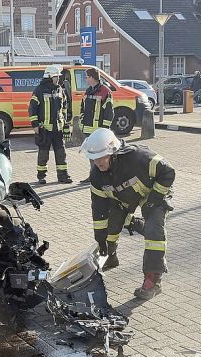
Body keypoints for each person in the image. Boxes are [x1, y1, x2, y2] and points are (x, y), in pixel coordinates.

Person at [80, 128, 175, 300]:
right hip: (124, 198)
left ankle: (153, 280)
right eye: (94, 159)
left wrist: (154, 199)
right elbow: (100, 210)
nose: (97, 163)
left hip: (153, 192)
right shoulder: (97, 177)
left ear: (113, 153)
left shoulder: (138, 157)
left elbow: (168, 172)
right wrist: (100, 240)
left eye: (101, 157)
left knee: (154, 232)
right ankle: (111, 255)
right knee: (111, 225)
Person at [29, 65, 72, 184]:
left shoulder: (60, 90)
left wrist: (66, 124)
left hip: (58, 128)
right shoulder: (39, 90)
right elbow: (32, 108)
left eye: (58, 77)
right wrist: (35, 125)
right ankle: (41, 176)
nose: (58, 79)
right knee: (43, 154)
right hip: (45, 128)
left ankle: (63, 175)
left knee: (61, 153)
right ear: (49, 77)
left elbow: (64, 108)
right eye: (56, 77)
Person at [80, 68, 114, 137]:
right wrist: (82, 122)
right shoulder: (88, 91)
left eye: (86, 77)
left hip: (99, 131)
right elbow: (82, 108)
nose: (85, 79)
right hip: (87, 130)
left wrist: (105, 129)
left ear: (91, 77)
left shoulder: (105, 91)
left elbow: (109, 112)